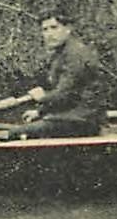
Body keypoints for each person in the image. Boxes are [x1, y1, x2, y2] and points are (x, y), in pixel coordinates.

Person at [6, 9, 108, 140]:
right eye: (45, 29)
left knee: (15, 133)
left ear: (68, 29)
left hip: (82, 120)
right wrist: (40, 111)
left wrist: (42, 98)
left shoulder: (76, 54)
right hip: (70, 118)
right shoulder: (61, 53)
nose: (49, 34)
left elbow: (65, 93)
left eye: (54, 28)